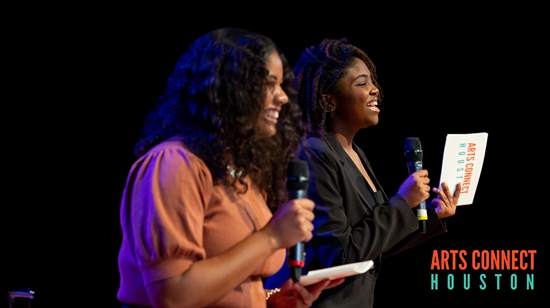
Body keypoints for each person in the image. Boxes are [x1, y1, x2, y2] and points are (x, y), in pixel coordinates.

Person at [116, 28, 344, 308]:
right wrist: (272, 236)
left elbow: (234, 284)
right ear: (229, 89)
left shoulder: (240, 172)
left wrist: (272, 301)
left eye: (281, 85)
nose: (283, 97)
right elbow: (172, 295)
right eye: (268, 84)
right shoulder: (174, 164)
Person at [264, 38, 461, 307]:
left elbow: (371, 248)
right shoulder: (314, 152)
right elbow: (341, 254)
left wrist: (433, 215)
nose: (375, 90)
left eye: (373, 82)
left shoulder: (355, 153)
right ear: (328, 100)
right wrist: (403, 202)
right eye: (362, 83)